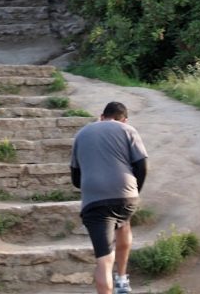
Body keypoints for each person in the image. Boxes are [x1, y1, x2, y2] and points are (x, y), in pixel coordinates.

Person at [70, 101, 148, 294]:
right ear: (124, 119)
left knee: (104, 260)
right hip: (126, 195)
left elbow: (75, 177)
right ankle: (122, 280)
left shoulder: (81, 134)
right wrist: (134, 189)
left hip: (95, 200)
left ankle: (112, 283)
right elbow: (142, 164)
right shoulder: (127, 129)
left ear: (102, 116)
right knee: (123, 222)